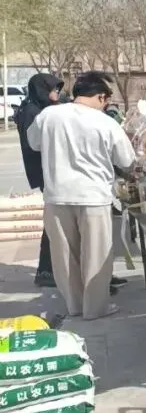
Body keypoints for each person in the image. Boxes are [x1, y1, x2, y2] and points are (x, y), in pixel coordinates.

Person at [28, 72, 136, 320]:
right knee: (96, 256)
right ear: (101, 97)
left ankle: (74, 305)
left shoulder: (48, 115)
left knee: (65, 256)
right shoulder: (105, 122)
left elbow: (33, 143)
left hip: (57, 196)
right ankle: (95, 308)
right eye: (106, 100)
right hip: (93, 197)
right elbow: (126, 160)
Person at [15, 73, 62, 287]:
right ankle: (45, 270)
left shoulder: (38, 108)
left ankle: (49, 270)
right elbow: (33, 145)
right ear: (42, 89)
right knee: (53, 222)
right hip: (46, 173)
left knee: (55, 222)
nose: (56, 92)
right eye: (53, 88)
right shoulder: (32, 111)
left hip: (49, 171)